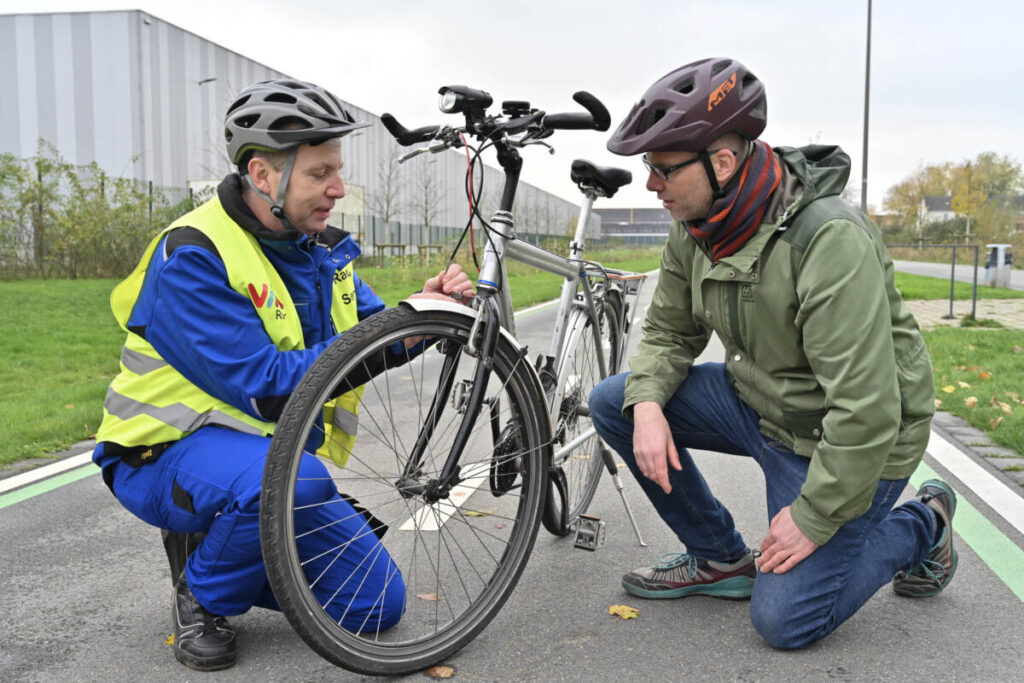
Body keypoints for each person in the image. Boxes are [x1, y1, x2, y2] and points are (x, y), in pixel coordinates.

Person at [92, 79, 474, 671]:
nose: (338, 189)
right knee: (299, 483)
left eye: (337, 171)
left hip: (274, 458)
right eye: (320, 173)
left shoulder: (319, 249)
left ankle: (236, 541)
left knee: (375, 606)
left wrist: (418, 317)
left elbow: (373, 331)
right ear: (263, 174)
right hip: (161, 454)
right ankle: (201, 594)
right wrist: (396, 331)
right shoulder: (193, 253)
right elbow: (266, 385)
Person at [589, 57, 956, 649]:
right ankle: (720, 559)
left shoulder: (828, 240)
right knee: (618, 401)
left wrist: (814, 516)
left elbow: (866, 409)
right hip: (761, 406)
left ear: (723, 162)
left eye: (661, 170)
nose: (650, 185)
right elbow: (667, 333)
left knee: (784, 622)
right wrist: (650, 405)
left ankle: (924, 522)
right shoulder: (696, 224)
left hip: (852, 436)